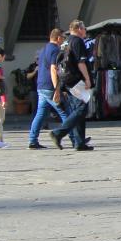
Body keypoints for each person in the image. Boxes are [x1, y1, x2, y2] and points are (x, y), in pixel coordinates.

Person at [49, 21, 94, 150]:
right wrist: (87, 79)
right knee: (82, 108)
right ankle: (58, 133)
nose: (85, 31)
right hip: (75, 79)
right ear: (79, 29)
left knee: (77, 110)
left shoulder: (65, 42)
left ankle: (79, 143)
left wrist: (59, 85)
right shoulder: (77, 41)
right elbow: (81, 62)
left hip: (66, 79)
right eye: (84, 28)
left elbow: (59, 64)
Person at [27, 29, 66, 149]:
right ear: (58, 38)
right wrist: (56, 88)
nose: (63, 40)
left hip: (41, 85)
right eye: (63, 37)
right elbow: (53, 69)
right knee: (65, 112)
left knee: (40, 114)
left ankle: (32, 141)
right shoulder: (55, 50)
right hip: (50, 86)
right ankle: (76, 139)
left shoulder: (44, 49)